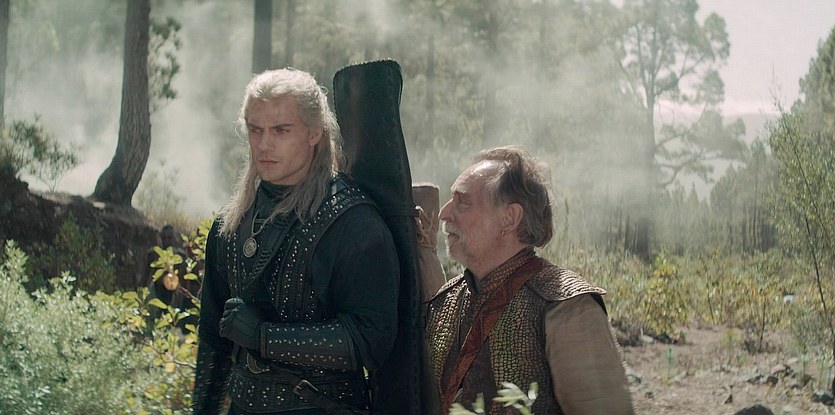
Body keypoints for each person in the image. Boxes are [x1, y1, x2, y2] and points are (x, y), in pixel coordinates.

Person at [192, 68, 400, 414]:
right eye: (255, 130)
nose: (264, 144)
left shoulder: (352, 222)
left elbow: (371, 338)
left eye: (280, 130)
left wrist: (265, 337)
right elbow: (213, 338)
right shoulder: (232, 223)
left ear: (314, 132)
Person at [426, 146, 634, 414]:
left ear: (509, 218)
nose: (444, 213)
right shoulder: (446, 301)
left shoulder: (564, 306)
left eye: (462, 202)